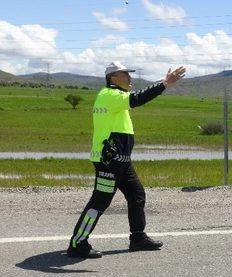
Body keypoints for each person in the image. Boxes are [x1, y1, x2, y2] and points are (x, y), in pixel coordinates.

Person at [67, 61, 186, 258]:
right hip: (109, 161)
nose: (130, 78)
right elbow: (138, 98)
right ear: (112, 78)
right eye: (125, 74)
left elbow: (134, 98)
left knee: (136, 194)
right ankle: (77, 243)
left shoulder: (116, 97)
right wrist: (165, 83)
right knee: (100, 201)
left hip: (120, 161)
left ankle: (138, 238)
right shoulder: (110, 95)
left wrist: (162, 84)